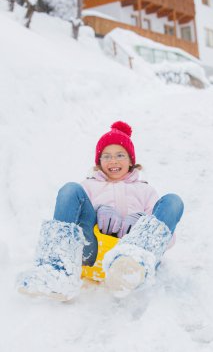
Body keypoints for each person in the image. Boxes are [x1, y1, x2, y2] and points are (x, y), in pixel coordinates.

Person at [17, 121, 184, 300]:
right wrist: (97, 212)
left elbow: (168, 239)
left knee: (173, 201)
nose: (113, 160)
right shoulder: (89, 186)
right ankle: (58, 271)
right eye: (106, 156)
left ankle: (130, 264)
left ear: (131, 161)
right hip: (93, 252)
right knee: (70, 190)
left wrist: (142, 222)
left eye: (120, 154)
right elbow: (76, 215)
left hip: (133, 262)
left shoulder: (146, 191)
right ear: (99, 162)